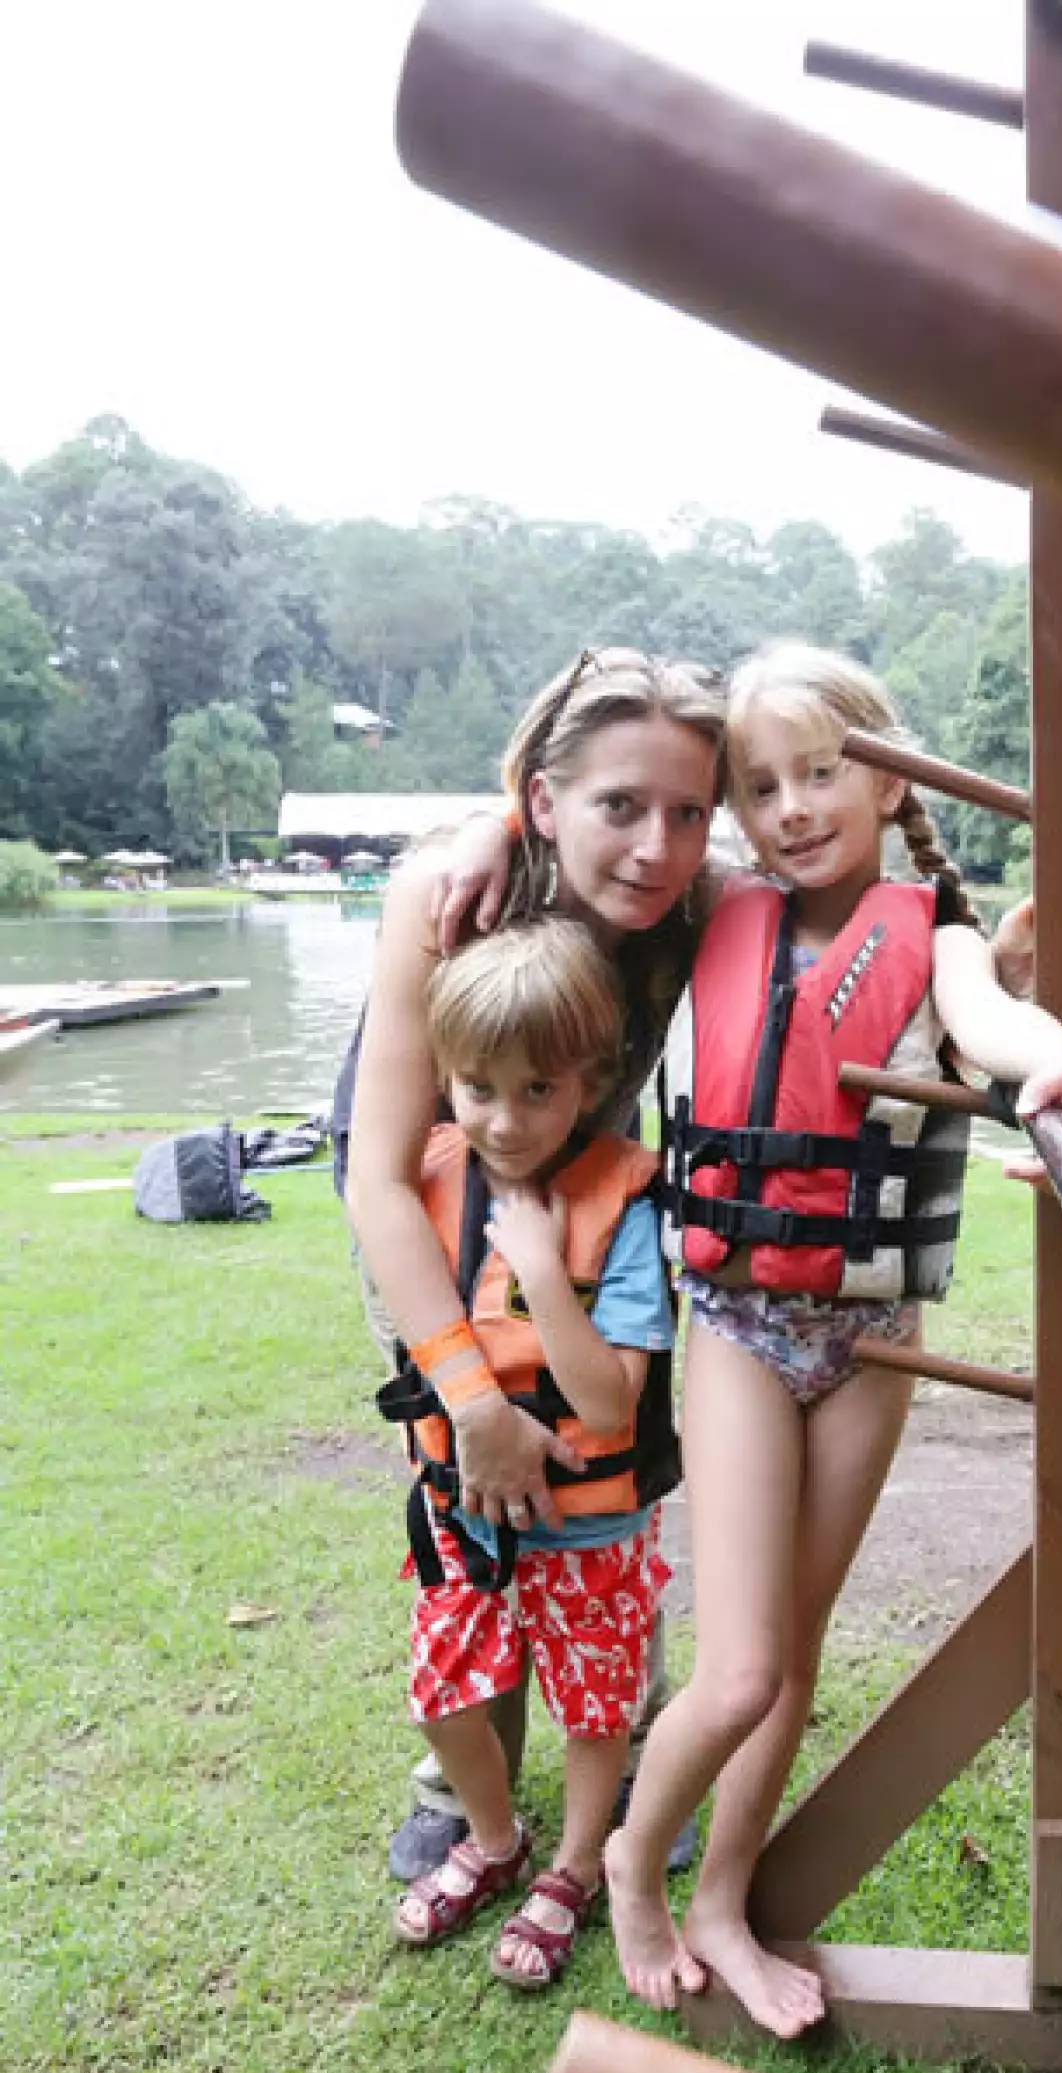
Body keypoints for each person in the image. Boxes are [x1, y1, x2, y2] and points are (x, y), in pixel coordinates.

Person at [601, 643, 1062, 2039]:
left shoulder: (938, 937)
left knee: (798, 1653)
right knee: (743, 1667)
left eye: (819, 773)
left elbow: (995, 1021)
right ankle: (627, 1872)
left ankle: (722, 1896)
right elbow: (606, 848)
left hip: (866, 1342)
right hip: (735, 1326)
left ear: (890, 781)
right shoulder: (717, 907)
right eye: (758, 785)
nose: (787, 807)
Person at [344, 648, 725, 1881]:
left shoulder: (700, 904)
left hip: (590, 1213)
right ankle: (466, 1794)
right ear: (545, 799)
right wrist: (466, 1393)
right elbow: (380, 1180)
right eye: (619, 806)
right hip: (436, 1199)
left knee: (611, 1477)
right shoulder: (452, 894)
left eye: (686, 812)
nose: (655, 848)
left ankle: (619, 1754)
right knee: (473, 1489)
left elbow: (816, 867)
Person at [386, 917, 679, 1988]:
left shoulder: (623, 1207)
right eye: (477, 1089)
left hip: (592, 1521)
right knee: (444, 1690)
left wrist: (544, 1272)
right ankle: (495, 1840)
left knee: (596, 1707)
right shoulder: (421, 1174)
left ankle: (572, 1866)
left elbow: (608, 1406)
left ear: (591, 1081)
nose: (504, 1122)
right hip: (461, 1508)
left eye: (538, 1091)